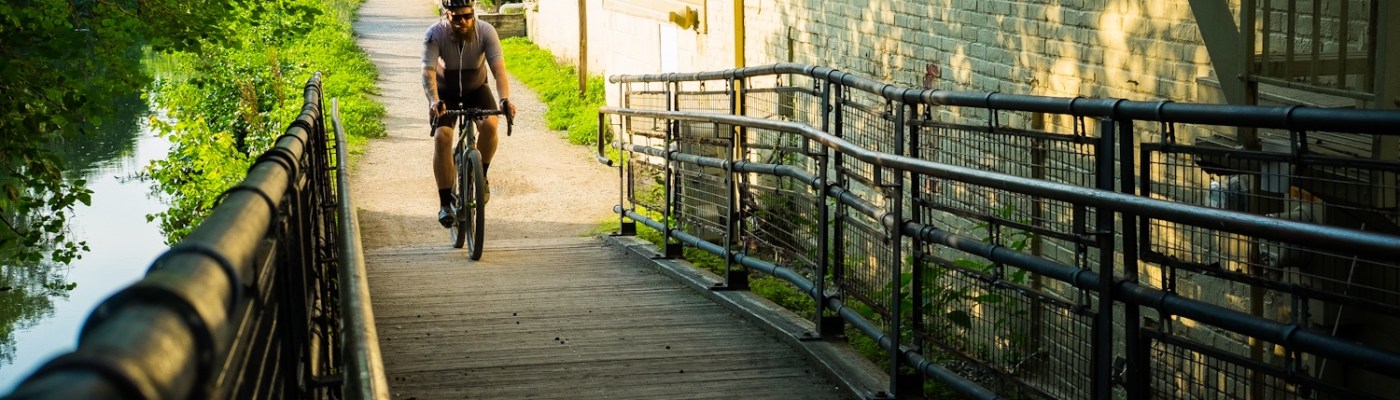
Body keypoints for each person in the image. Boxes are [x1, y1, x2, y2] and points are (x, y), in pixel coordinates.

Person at [423, 0, 517, 228]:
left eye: (468, 16)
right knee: (442, 137)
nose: (464, 21)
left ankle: (480, 176)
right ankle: (445, 203)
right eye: (457, 17)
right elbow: (428, 72)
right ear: (447, 15)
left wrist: (504, 99)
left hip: (477, 89)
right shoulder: (435, 33)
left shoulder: (486, 31)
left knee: (491, 126)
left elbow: (499, 70)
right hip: (447, 93)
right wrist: (434, 100)